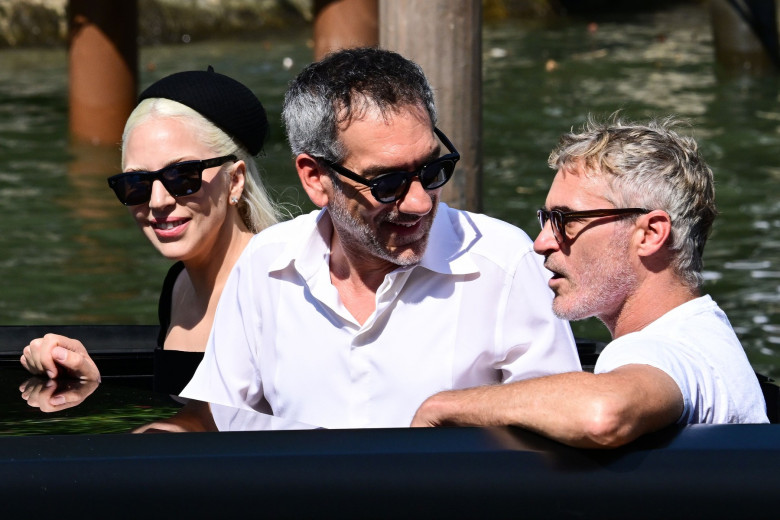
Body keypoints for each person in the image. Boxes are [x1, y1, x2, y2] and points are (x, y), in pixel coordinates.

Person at [173, 47, 580, 430]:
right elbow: (218, 420)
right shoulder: (266, 265)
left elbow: (564, 419)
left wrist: (452, 409)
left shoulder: (505, 265)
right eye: (388, 183)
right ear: (315, 178)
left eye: (432, 170)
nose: (420, 202)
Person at [411, 115, 769, 446]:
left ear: (649, 233)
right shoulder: (702, 336)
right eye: (546, 219)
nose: (542, 242)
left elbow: (602, 413)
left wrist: (444, 406)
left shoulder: (661, 350)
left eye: (566, 220)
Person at [19, 67, 282, 398]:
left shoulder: (278, 287)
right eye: (136, 183)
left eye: (183, 176)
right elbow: (179, 416)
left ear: (236, 181)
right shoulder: (178, 285)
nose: (158, 201)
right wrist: (90, 381)